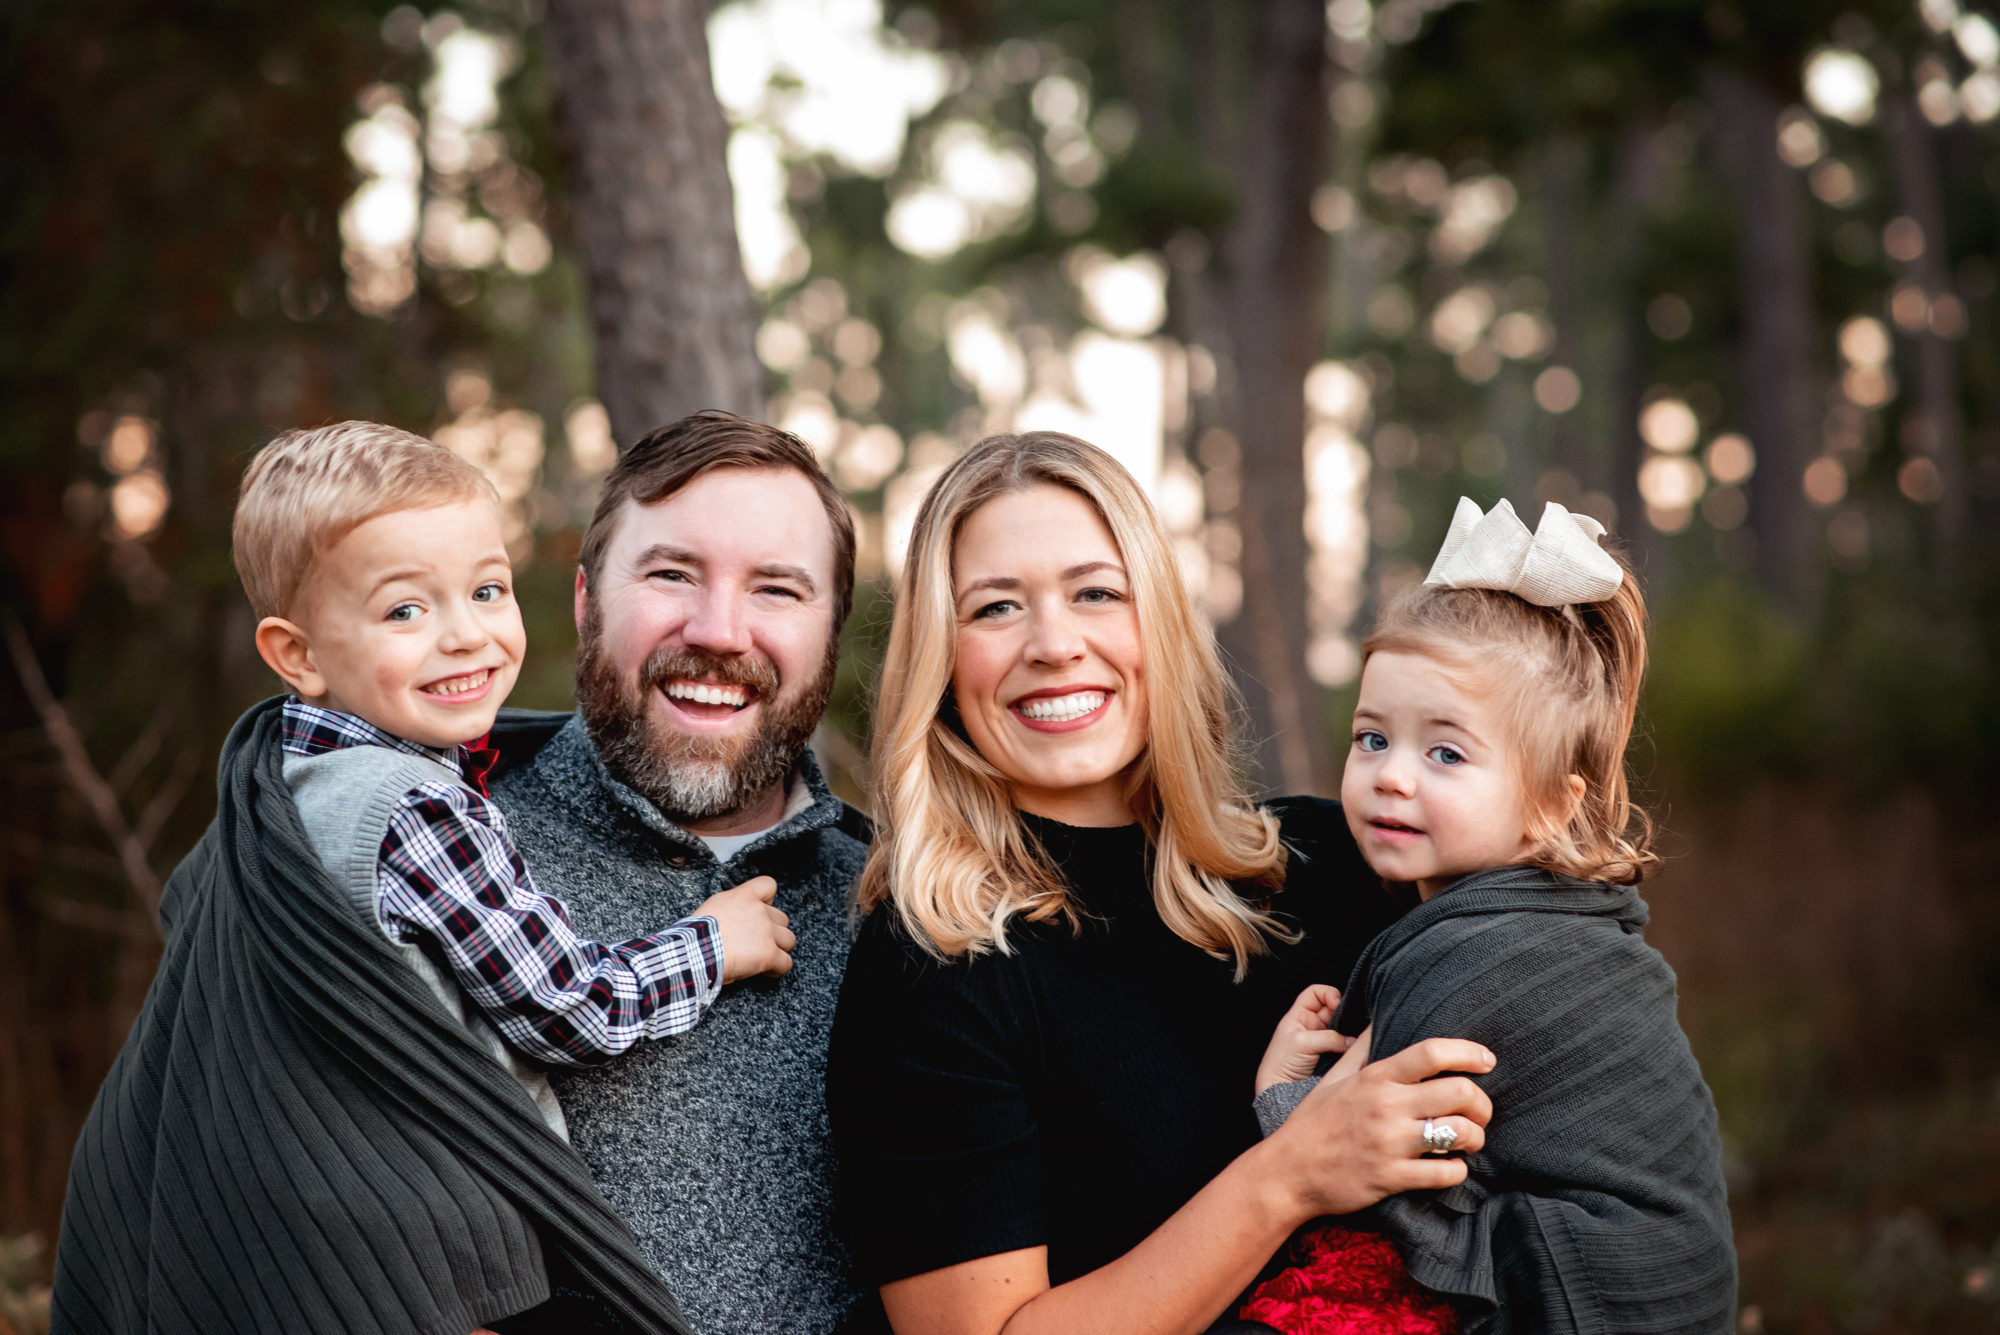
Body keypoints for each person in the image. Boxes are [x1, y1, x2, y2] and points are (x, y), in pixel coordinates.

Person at [53, 420, 801, 1334]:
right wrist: (713, 944)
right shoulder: (415, 811)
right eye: (406, 610)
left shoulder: (284, 775)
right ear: (299, 655)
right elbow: (570, 1005)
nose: (467, 636)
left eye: (486, 590)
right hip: (433, 1249)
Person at [825, 431, 1498, 1335]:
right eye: (994, 609)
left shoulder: (1344, 859)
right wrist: (1293, 1171)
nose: (1055, 643)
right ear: (942, 662)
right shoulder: (933, 967)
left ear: (1161, 622)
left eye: (1097, 592)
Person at [1238, 497, 1737, 1335]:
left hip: (1603, 1290)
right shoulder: (1549, 916)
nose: (1393, 776)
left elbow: (1376, 1166)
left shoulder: (1491, 957)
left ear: (1549, 804)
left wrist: (1285, 1098)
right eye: (1372, 738)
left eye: (1445, 752)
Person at [486, 410, 874, 1335]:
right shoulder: (451, 866)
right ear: (588, 601)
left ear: (830, 632)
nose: (718, 630)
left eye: (777, 589)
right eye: (671, 574)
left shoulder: (899, 910)